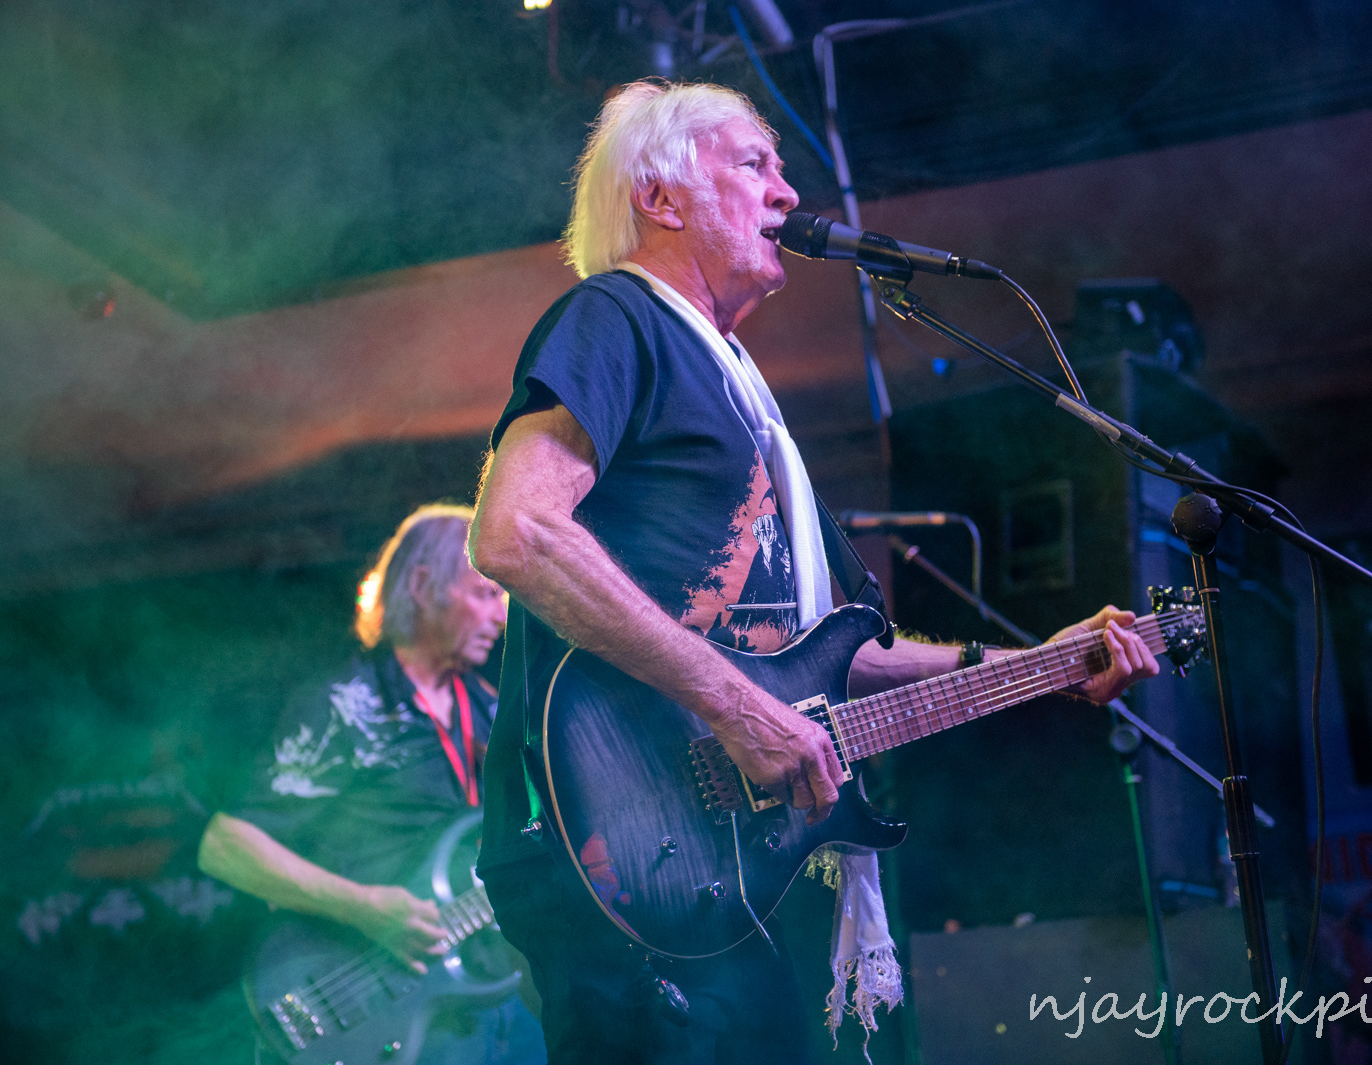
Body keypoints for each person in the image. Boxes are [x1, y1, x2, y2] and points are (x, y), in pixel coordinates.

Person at [467, 81, 1161, 1063]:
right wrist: (738, 708)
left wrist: (1039, 665)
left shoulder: (742, 394)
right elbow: (517, 532)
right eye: (754, 164)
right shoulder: (616, 318)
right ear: (660, 198)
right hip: (620, 841)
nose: (789, 193)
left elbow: (820, 658)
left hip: (726, 862)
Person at [197, 504, 546, 1065]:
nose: (501, 616)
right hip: (369, 994)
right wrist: (366, 909)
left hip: (489, 996)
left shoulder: (490, 711)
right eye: (484, 594)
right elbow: (226, 847)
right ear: (424, 587)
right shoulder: (349, 705)